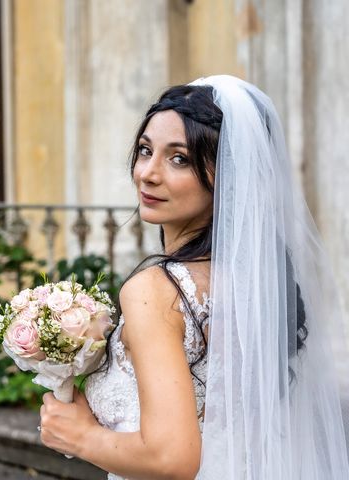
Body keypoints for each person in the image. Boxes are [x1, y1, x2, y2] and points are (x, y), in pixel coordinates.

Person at [39, 75, 349, 479]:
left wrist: (79, 436)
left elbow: (172, 458)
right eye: (145, 150)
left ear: (226, 176)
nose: (148, 173)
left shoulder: (156, 292)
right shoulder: (252, 283)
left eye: (178, 159)